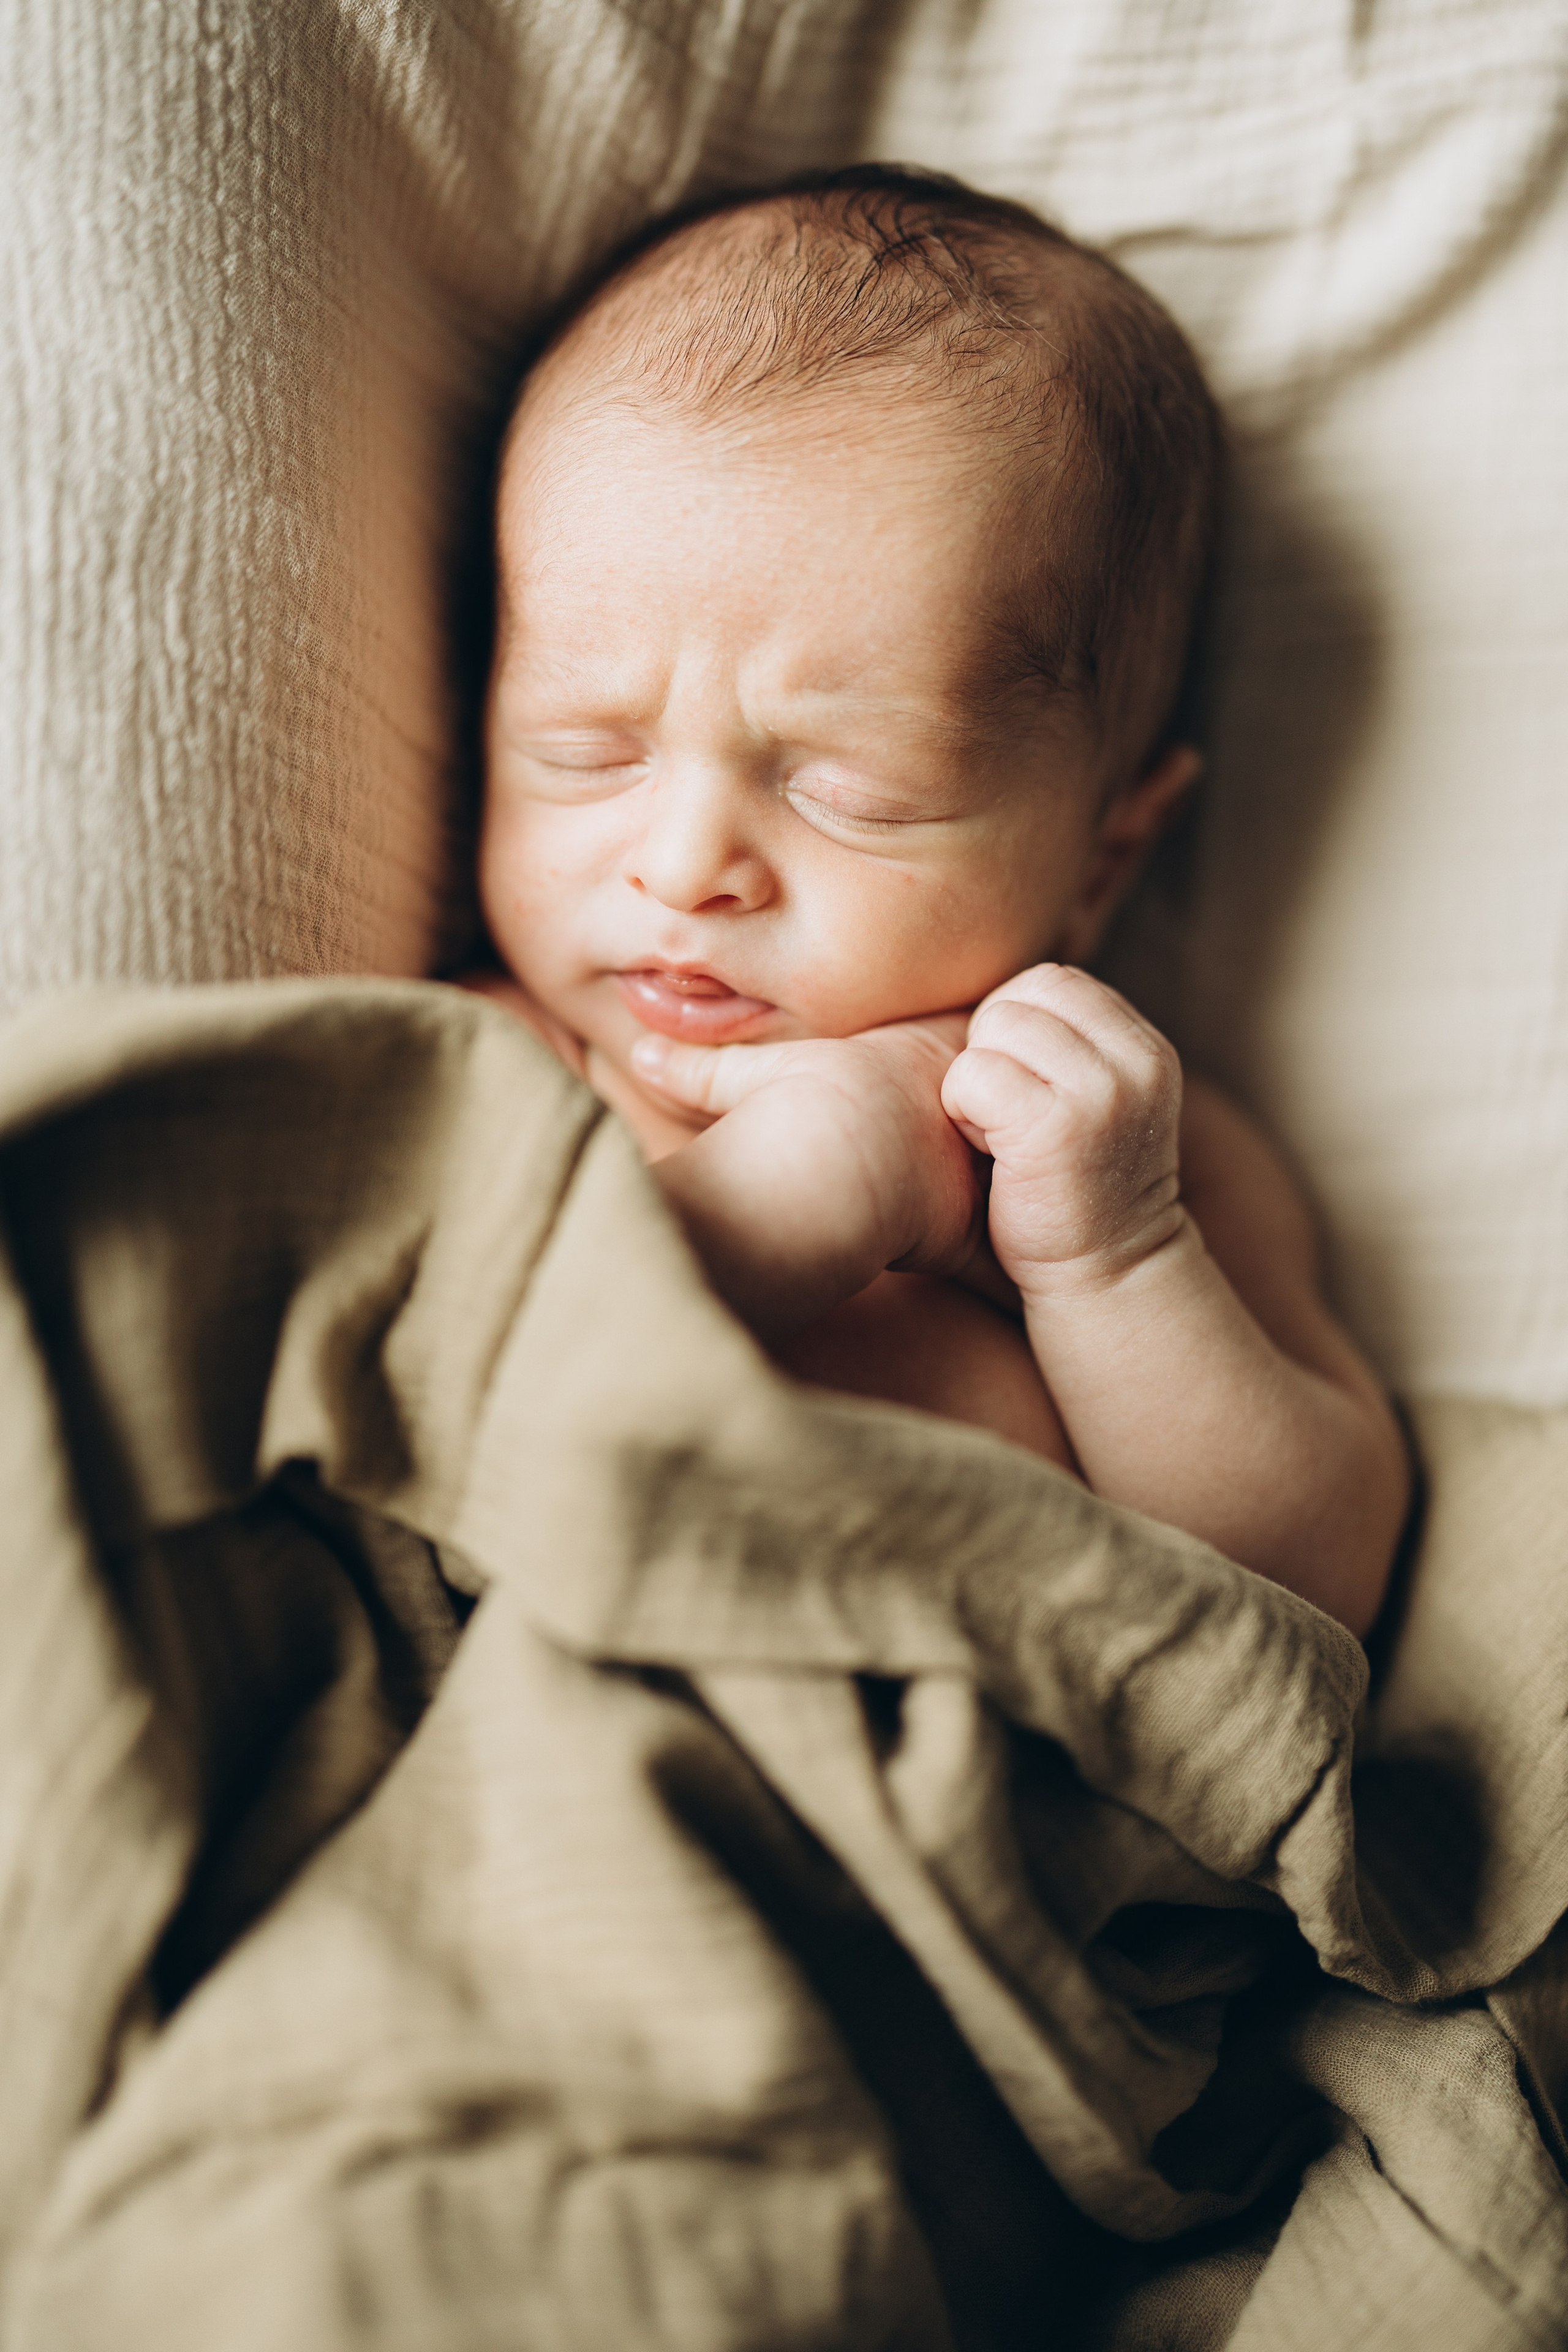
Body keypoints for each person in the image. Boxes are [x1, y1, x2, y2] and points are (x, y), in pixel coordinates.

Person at [465, 166, 1410, 1635]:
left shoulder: (1118, 1153)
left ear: (1100, 860)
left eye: (855, 793)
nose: (682, 864)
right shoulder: (491, 1066)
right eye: (584, 755)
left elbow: (1307, 1580)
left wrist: (1107, 1260)